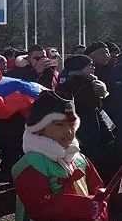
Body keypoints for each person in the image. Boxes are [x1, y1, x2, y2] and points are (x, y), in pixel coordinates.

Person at [11, 90, 108, 221]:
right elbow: (39, 207)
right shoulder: (31, 163)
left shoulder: (79, 158)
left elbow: (96, 185)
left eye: (72, 124)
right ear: (40, 128)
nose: (69, 131)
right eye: (59, 124)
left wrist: (100, 197)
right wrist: (86, 207)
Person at [57, 54, 118, 183]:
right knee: (97, 162)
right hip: (89, 127)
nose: (93, 68)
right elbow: (94, 105)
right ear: (80, 68)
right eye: (90, 65)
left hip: (78, 128)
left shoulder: (67, 83)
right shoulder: (83, 84)